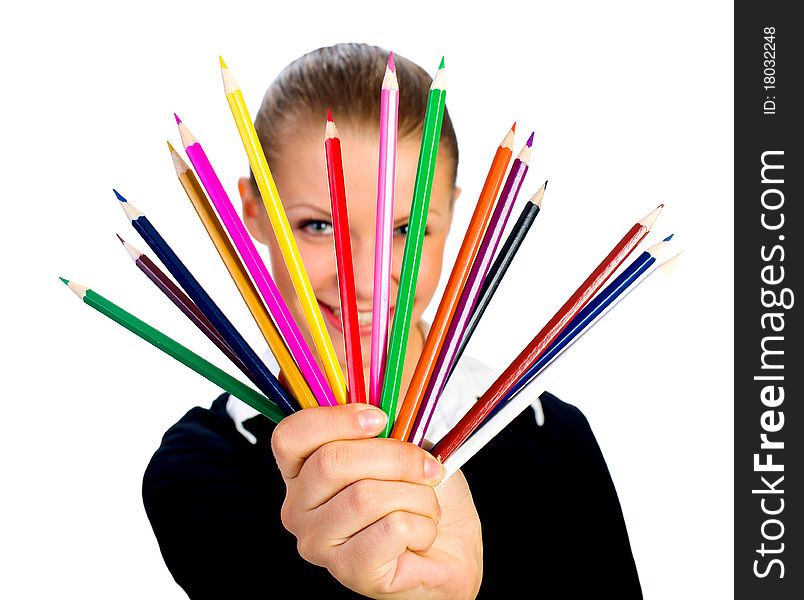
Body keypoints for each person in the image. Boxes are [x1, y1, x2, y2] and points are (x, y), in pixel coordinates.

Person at [143, 43, 643, 599]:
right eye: (316, 226)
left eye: (406, 230)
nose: (363, 281)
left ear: (456, 215)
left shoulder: (551, 435)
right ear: (252, 212)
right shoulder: (201, 463)